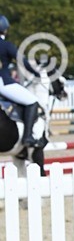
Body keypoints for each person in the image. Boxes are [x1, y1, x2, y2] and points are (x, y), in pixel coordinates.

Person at [0, 14, 40, 146]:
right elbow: (22, 61)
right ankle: (27, 137)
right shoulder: (6, 45)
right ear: (5, 30)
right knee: (32, 102)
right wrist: (36, 72)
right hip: (3, 82)